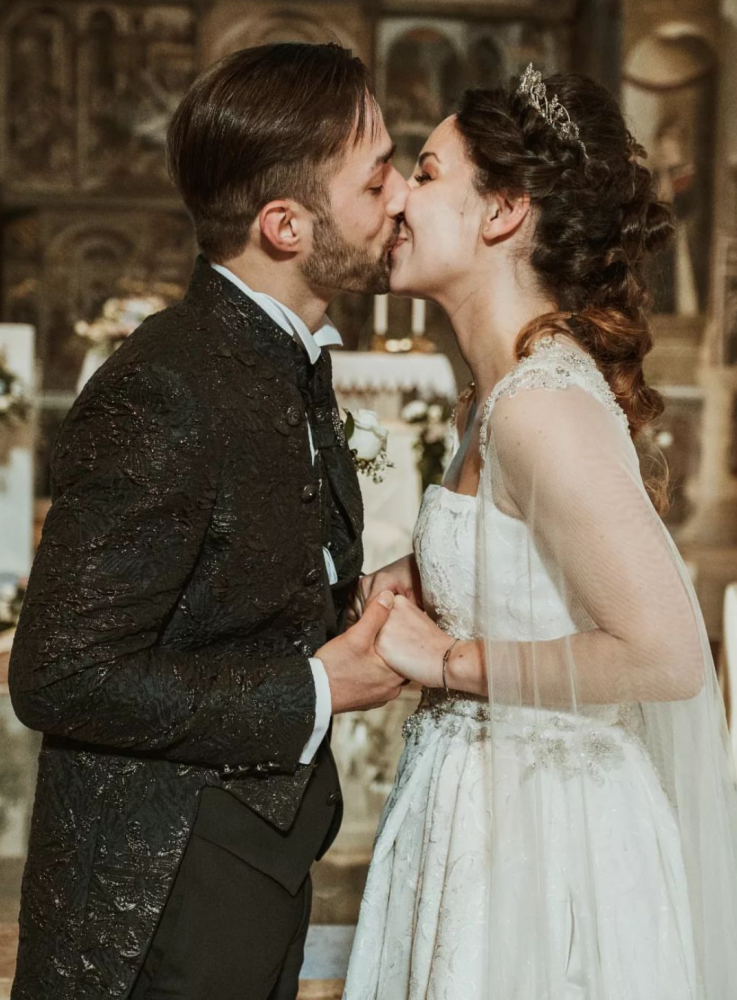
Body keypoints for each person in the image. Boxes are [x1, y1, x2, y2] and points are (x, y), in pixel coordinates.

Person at [9, 43, 408, 1000]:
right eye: (378, 175)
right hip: (163, 877)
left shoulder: (283, 361)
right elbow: (60, 673)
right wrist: (316, 689)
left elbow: (227, 589)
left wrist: (353, 599)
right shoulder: (165, 385)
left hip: (251, 859)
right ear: (286, 225)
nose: (400, 196)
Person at [344, 66, 737, 999]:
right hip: (483, 815)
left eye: (429, 170)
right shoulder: (495, 397)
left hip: (551, 841)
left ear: (502, 212)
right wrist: (431, 569)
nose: (399, 194)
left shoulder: (540, 409)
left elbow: (667, 654)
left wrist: (449, 661)